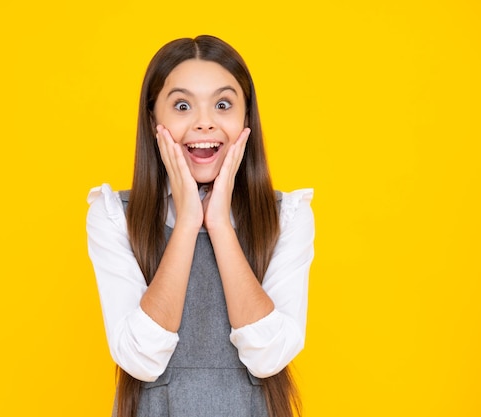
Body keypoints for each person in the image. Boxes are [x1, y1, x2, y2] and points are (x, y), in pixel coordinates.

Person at [86, 35, 315, 417]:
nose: (204, 123)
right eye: (181, 106)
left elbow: (269, 355)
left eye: (223, 104)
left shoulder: (287, 216)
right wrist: (189, 222)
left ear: (247, 120)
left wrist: (221, 226)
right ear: (153, 119)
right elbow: (140, 359)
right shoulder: (113, 215)